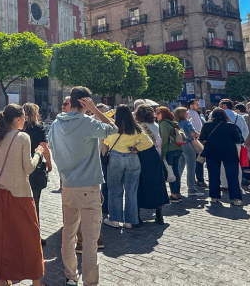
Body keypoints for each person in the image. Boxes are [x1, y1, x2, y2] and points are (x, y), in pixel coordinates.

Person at [48, 86, 117, 286]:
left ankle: (71, 276)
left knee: (68, 235)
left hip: (67, 185)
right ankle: (90, 281)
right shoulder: (89, 122)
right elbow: (113, 129)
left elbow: (52, 147)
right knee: (89, 239)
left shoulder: (55, 124)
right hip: (88, 186)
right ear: (86, 101)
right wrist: (94, 110)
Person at [0, 104, 45, 286]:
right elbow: (28, 168)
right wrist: (38, 154)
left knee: (2, 238)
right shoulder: (23, 137)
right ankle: (36, 281)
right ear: (17, 119)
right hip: (20, 194)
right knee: (30, 237)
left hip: (1, 193)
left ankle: (2, 280)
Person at [104, 105, 153, 228]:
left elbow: (101, 118)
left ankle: (115, 219)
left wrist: (111, 111)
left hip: (115, 158)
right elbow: (149, 142)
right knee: (131, 191)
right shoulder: (136, 128)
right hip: (132, 158)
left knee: (114, 190)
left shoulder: (112, 127)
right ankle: (130, 221)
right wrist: (136, 148)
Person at [21, 102, 53, 246]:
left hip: (19, 168)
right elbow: (44, 147)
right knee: (34, 203)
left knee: (20, 204)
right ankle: (34, 236)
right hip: (34, 167)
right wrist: (49, 162)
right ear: (35, 113)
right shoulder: (38, 127)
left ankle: (20, 235)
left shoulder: (18, 127)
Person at [198, 108, 244, 206]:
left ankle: (214, 197)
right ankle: (236, 198)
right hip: (229, 152)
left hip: (212, 152)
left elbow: (202, 138)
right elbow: (237, 139)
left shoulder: (207, 125)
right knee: (232, 176)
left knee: (213, 175)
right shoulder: (231, 126)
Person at [134, 105, 170, 223]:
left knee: (139, 183)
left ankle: (137, 215)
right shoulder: (155, 126)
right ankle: (159, 213)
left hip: (140, 155)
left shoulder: (137, 126)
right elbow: (159, 142)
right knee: (157, 183)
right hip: (154, 155)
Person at [157, 106, 184, 201]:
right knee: (176, 172)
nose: (156, 116)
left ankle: (173, 194)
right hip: (178, 148)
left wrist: (163, 153)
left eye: (158, 114)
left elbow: (164, 140)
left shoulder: (164, 123)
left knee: (170, 173)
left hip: (170, 150)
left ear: (163, 114)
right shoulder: (173, 122)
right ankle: (177, 193)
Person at [173, 107, 201, 197]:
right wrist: (197, 134)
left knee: (179, 167)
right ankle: (191, 188)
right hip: (187, 145)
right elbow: (193, 133)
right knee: (191, 167)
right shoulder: (187, 122)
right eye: (186, 112)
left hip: (179, 145)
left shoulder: (176, 123)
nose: (187, 114)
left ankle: (176, 187)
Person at [187, 99, 207, 188]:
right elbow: (199, 128)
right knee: (199, 161)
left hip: (190, 140)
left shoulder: (187, 113)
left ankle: (194, 179)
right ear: (191, 106)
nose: (198, 106)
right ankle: (200, 180)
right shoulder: (194, 114)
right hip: (196, 140)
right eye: (196, 104)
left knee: (192, 161)